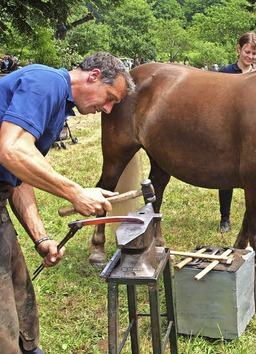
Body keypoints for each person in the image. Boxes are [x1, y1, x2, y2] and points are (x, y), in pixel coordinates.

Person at [0, 51, 134, 354]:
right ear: (94, 76)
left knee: (22, 301)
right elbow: (10, 150)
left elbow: (16, 178)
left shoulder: (60, 105)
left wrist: (41, 239)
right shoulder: (47, 82)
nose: (109, 110)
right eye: (110, 97)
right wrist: (75, 192)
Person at [217, 32, 256, 231]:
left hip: (251, 133)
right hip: (227, 131)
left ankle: (249, 219)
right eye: (247, 52)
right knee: (226, 174)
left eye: (253, 53)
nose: (250, 56)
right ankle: (224, 217)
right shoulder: (225, 72)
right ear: (239, 49)